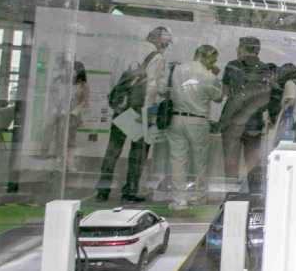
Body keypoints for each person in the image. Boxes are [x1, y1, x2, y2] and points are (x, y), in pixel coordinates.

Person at [95, 25, 172, 203]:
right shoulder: (157, 57)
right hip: (141, 109)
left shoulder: (126, 51)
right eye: (166, 43)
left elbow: (114, 79)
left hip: (122, 107)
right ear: (158, 40)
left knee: (113, 149)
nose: (166, 46)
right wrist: (149, 113)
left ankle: (103, 189)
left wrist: (118, 103)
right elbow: (152, 87)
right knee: (138, 152)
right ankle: (130, 190)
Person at [166, 45, 222, 210]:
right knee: (200, 161)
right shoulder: (209, 76)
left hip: (176, 117)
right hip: (198, 121)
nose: (214, 63)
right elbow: (218, 97)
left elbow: (163, 90)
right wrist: (216, 76)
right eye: (213, 60)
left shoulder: (177, 69)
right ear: (206, 57)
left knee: (177, 160)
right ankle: (198, 197)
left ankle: (179, 200)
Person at [218, 36, 275, 188]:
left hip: (233, 121)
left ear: (243, 48)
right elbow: (267, 97)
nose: (237, 49)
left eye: (239, 46)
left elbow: (224, 92)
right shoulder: (266, 69)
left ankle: (231, 195)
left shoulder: (232, 66)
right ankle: (254, 196)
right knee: (253, 164)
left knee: (231, 164)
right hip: (254, 122)